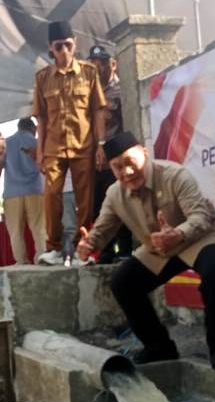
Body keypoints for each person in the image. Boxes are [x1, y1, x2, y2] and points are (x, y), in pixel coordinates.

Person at [78, 132, 215, 371]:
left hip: (201, 237)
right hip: (159, 248)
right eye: (117, 167)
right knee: (123, 281)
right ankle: (159, 347)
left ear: (144, 153)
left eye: (130, 162)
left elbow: (200, 217)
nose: (126, 172)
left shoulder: (175, 175)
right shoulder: (114, 194)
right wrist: (89, 245)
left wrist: (178, 234)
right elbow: (102, 230)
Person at [32, 21, 107, 266]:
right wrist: (40, 150)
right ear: (50, 48)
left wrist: (101, 145)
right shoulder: (43, 78)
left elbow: (97, 111)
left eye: (68, 44)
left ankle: (80, 249)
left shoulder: (89, 72)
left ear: (75, 44)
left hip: (83, 144)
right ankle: (53, 247)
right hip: (53, 146)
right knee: (51, 194)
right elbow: (40, 118)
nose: (64, 50)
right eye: (58, 46)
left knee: (85, 198)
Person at [87, 45, 133, 264]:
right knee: (99, 207)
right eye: (93, 64)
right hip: (95, 161)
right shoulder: (88, 91)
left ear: (110, 65)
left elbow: (113, 119)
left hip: (117, 158)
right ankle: (105, 251)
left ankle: (124, 250)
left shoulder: (121, 89)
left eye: (100, 64)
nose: (96, 69)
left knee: (122, 203)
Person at [0, 117, 46, 264]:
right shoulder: (37, 143)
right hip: (34, 190)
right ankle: (42, 258)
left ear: (18, 127)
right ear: (33, 129)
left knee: (15, 231)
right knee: (39, 228)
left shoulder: (6, 144)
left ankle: (21, 261)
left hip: (12, 193)